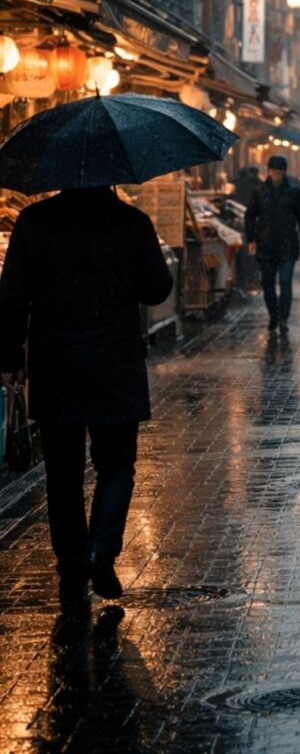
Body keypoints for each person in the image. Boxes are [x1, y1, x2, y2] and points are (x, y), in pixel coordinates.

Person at [0, 186, 173, 608]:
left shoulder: (34, 221)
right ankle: (101, 551)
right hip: (113, 360)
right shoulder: (132, 222)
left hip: (54, 361)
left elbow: (11, 297)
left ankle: (72, 568)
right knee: (116, 465)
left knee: (63, 473)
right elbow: (157, 289)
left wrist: (9, 357)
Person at [245, 155, 300, 333]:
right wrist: (250, 239)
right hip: (266, 245)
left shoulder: (294, 193)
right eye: (274, 170)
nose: (277, 174)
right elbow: (250, 215)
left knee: (285, 283)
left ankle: (283, 318)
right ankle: (273, 314)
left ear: (284, 172)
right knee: (268, 284)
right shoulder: (259, 192)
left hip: (288, 244)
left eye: (280, 170)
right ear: (269, 171)